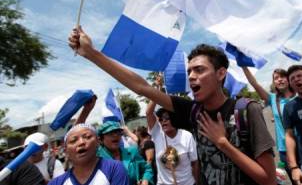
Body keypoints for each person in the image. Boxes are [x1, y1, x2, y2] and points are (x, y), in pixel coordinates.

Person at [68, 27, 276, 185]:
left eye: (199, 70)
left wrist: (223, 143)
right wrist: (92, 54)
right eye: (190, 71)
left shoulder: (246, 110)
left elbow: (268, 179)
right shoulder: (194, 111)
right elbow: (142, 87)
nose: (192, 77)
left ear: (221, 73)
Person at [74, 97, 153, 185]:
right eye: (111, 133)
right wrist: (86, 110)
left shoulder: (132, 151)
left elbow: (147, 169)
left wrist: (145, 180)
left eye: (118, 132)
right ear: (101, 139)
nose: (116, 135)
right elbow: (74, 134)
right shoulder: (95, 157)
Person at [241, 67, 295, 178]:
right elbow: (255, 84)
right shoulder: (273, 99)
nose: (279, 80)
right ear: (274, 83)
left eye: (282, 76)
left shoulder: (299, 96)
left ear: (288, 79)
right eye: (276, 78)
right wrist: (243, 67)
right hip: (285, 150)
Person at [48, 124, 129, 185]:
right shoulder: (56, 183)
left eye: (87, 137)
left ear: (98, 142)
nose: (81, 142)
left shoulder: (114, 169)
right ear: (66, 151)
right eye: (73, 141)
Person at [146, 99, 199, 185]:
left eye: (167, 118)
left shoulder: (187, 136)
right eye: (161, 119)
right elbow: (148, 112)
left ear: (175, 119)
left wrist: (197, 182)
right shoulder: (157, 134)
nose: (163, 121)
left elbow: (194, 163)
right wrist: (156, 88)